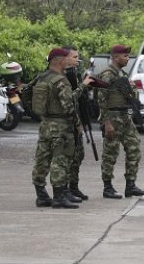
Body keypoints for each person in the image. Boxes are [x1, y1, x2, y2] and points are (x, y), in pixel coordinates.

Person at [31, 48, 93, 209]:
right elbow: (68, 106)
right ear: (59, 61)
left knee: (42, 159)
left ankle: (41, 195)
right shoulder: (61, 80)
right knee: (60, 160)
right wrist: (76, 123)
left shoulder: (42, 78)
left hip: (45, 124)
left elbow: (26, 94)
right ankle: (59, 197)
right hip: (61, 126)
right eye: (65, 58)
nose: (68, 61)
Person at [98, 45, 144, 199]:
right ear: (115, 57)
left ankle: (131, 185)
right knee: (110, 153)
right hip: (112, 117)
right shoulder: (107, 75)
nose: (128, 58)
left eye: (128, 56)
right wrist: (106, 122)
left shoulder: (122, 74)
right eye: (125, 56)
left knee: (134, 147)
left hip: (125, 116)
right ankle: (108, 187)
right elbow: (101, 99)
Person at [62, 46, 87, 203]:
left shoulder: (74, 75)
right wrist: (83, 86)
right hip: (65, 124)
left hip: (75, 119)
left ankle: (73, 186)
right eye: (74, 57)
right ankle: (64, 191)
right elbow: (70, 98)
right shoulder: (60, 76)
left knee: (78, 155)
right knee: (66, 158)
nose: (77, 60)